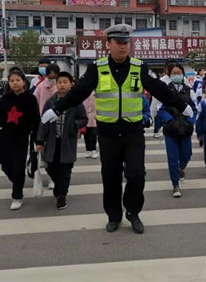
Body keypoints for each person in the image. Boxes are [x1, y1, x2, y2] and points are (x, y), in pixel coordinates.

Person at [41, 24, 191, 234]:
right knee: (110, 176)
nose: (123, 47)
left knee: (136, 174)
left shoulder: (139, 67)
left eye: (126, 43)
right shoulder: (97, 68)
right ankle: (114, 215)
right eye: (119, 43)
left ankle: (133, 212)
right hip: (108, 133)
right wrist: (57, 109)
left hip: (133, 132)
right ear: (109, 44)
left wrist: (182, 106)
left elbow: (159, 89)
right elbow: (79, 92)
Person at [36, 72, 87, 210]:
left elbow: (84, 119)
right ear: (56, 85)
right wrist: (40, 141)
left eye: (65, 82)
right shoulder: (50, 102)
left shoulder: (76, 102)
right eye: (60, 82)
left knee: (65, 170)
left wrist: (74, 125)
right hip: (52, 141)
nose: (62, 85)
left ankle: (61, 195)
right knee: (51, 167)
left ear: (71, 84)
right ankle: (59, 187)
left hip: (67, 142)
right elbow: (43, 121)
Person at [0, 68, 40, 210]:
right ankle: (17, 182)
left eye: (17, 80)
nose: (15, 83)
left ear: (23, 82)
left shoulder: (30, 98)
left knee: (18, 166)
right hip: (5, 136)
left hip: (22, 136)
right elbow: (1, 116)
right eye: (12, 80)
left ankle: (17, 196)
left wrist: (38, 140)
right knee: (6, 166)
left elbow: (36, 121)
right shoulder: (5, 98)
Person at [158, 63, 197, 197]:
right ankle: (175, 184)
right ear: (169, 75)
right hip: (171, 129)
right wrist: (170, 120)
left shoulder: (189, 90)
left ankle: (181, 168)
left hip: (185, 128)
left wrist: (190, 120)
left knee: (187, 154)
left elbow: (195, 107)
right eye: (174, 73)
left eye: (179, 73)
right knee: (172, 158)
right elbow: (160, 109)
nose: (176, 75)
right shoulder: (165, 90)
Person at [82, 92, 98, 158]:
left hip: (94, 117)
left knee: (94, 134)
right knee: (86, 135)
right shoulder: (84, 94)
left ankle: (93, 149)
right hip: (85, 117)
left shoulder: (96, 94)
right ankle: (88, 150)